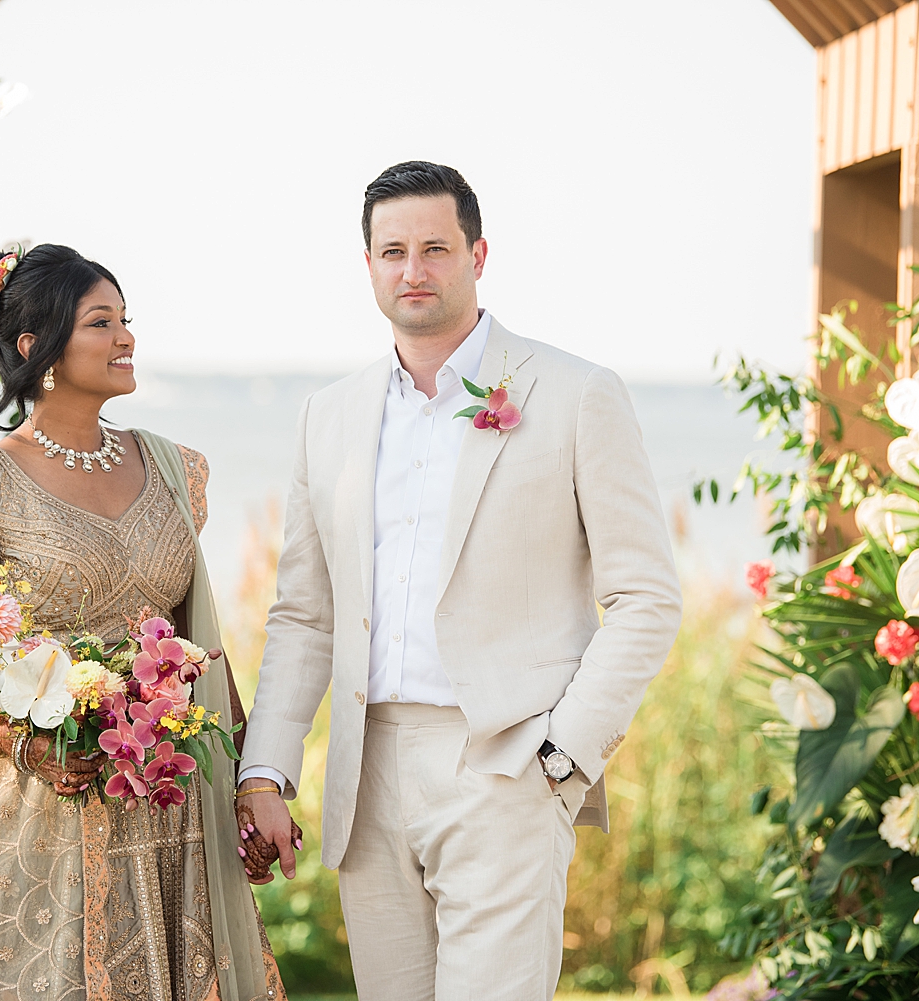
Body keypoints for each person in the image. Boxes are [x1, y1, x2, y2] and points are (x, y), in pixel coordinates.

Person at [237, 162, 683, 1000]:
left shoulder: (577, 393)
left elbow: (646, 598)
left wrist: (563, 753)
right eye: (393, 251)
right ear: (366, 264)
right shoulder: (328, 414)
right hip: (367, 775)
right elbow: (305, 614)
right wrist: (266, 769)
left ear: (478, 254)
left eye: (436, 248)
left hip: (507, 764)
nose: (414, 270)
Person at [0, 244, 286, 1001]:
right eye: (102, 322)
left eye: (127, 320)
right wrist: (16, 740)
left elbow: (205, 643)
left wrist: (247, 784)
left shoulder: (175, 470)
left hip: (172, 808)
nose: (127, 338)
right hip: (42, 808)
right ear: (37, 347)